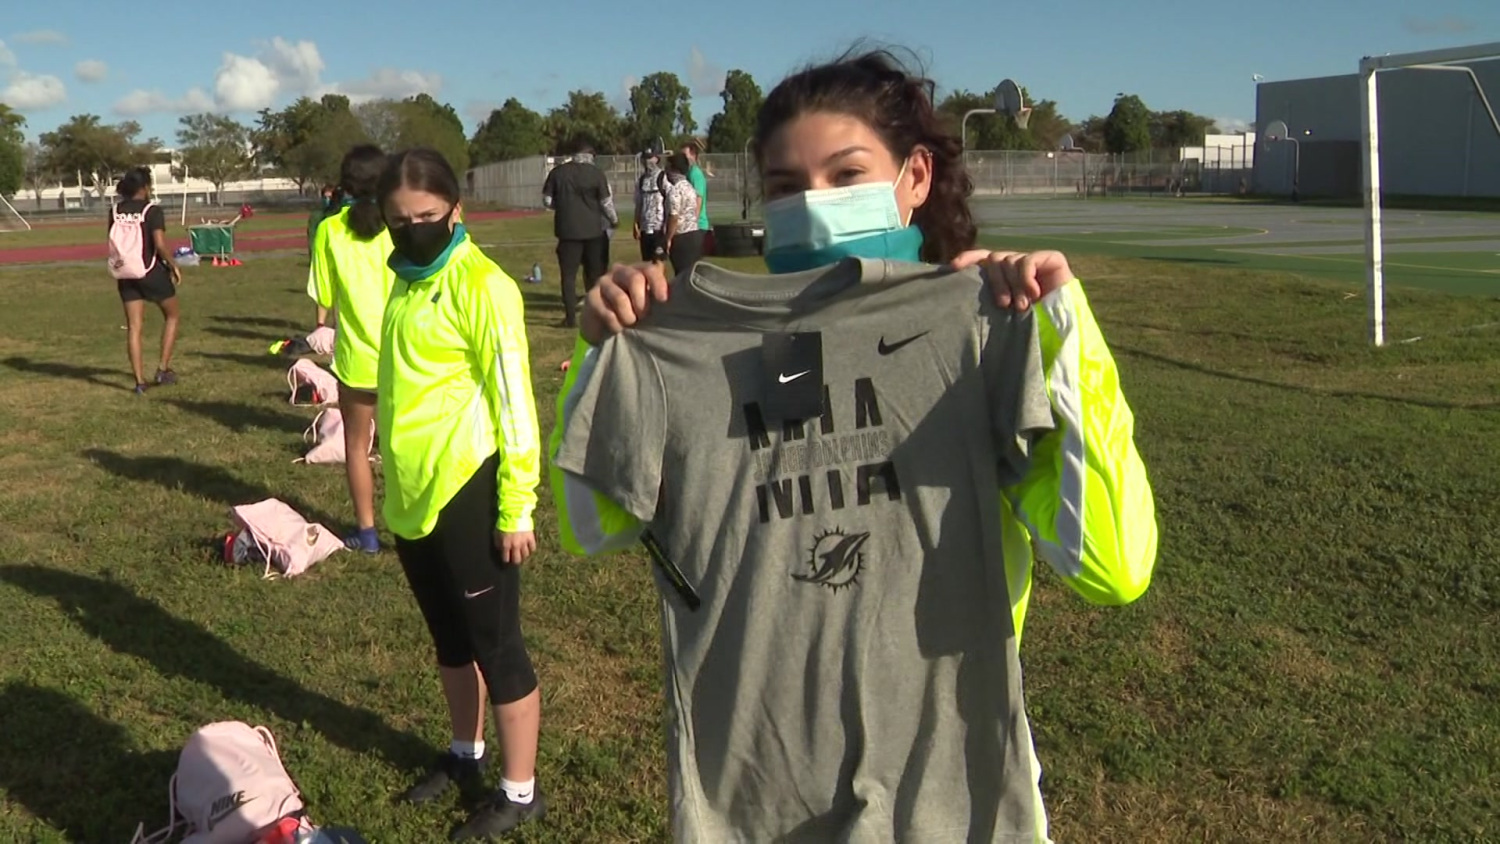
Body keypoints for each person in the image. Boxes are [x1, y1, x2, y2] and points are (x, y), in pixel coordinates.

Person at [548, 48, 1157, 841]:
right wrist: (604, 360)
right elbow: (589, 525)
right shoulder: (686, 344)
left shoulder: (985, 329)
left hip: (950, 787)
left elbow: (1112, 566)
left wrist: (1066, 333)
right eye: (786, 187)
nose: (815, 203)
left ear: (915, 178)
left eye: (845, 175)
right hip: (759, 797)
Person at [375, 148, 546, 841]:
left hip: (470, 490)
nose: (413, 230)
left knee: (495, 645)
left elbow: (515, 404)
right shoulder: (404, 280)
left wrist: (516, 506)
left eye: (427, 218)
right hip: (413, 497)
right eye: (399, 220)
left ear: (456, 213)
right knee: (449, 642)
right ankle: (464, 753)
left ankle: (520, 790)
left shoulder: (485, 286)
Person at [306, 145, 396, 554]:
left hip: (357, 359)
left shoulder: (329, 230)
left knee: (357, 447)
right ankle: (414, 529)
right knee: (403, 447)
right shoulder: (401, 224)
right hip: (407, 357)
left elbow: (323, 293)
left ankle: (368, 532)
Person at [108, 166, 182, 395]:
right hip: (150, 271)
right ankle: (162, 368)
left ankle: (139, 382)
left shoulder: (115, 210)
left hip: (125, 273)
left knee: (134, 327)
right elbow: (159, 244)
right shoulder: (152, 210)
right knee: (172, 315)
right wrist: (173, 264)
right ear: (145, 187)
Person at [541, 143, 613, 328]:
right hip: (593, 231)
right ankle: (597, 314)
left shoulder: (558, 173)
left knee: (568, 276)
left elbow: (547, 200)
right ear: (590, 156)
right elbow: (606, 202)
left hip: (567, 232)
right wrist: (614, 220)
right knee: (595, 274)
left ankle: (570, 317)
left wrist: (563, 207)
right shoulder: (596, 174)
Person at [662, 152, 705, 276]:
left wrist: (668, 238)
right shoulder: (690, 188)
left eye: (668, 167)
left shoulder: (675, 190)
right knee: (692, 275)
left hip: (681, 238)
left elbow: (674, 216)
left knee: (681, 275)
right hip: (694, 235)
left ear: (674, 169)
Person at [632, 146, 669, 266]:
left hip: (659, 227)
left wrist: (666, 225)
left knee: (658, 263)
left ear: (657, 159)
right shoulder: (641, 180)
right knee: (647, 264)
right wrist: (636, 223)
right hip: (645, 227)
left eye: (650, 158)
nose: (647, 161)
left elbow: (670, 202)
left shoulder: (663, 177)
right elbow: (638, 203)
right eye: (645, 158)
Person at [680, 138, 711, 237]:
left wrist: (693, 224)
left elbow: (698, 199)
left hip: (697, 226)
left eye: (685, 155)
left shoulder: (695, 174)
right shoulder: (687, 173)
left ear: (693, 155)